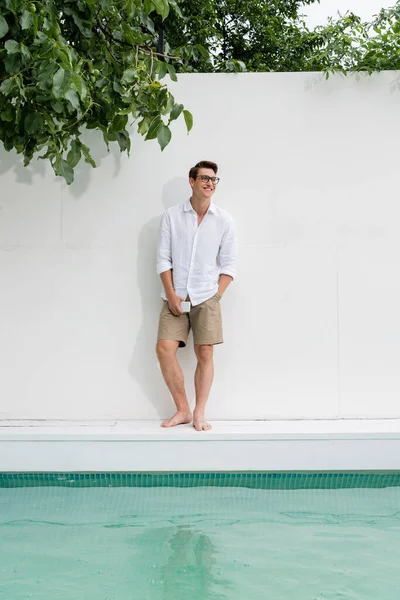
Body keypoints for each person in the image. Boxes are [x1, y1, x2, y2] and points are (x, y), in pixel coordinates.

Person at [156, 160, 237, 431]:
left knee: (205, 352)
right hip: (174, 295)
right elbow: (163, 259)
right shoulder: (171, 216)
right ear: (191, 182)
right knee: (164, 350)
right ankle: (182, 409)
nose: (210, 183)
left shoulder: (224, 220)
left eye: (214, 180)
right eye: (204, 178)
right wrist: (171, 294)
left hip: (207, 296)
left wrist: (215, 297)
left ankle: (199, 412)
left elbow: (228, 265)